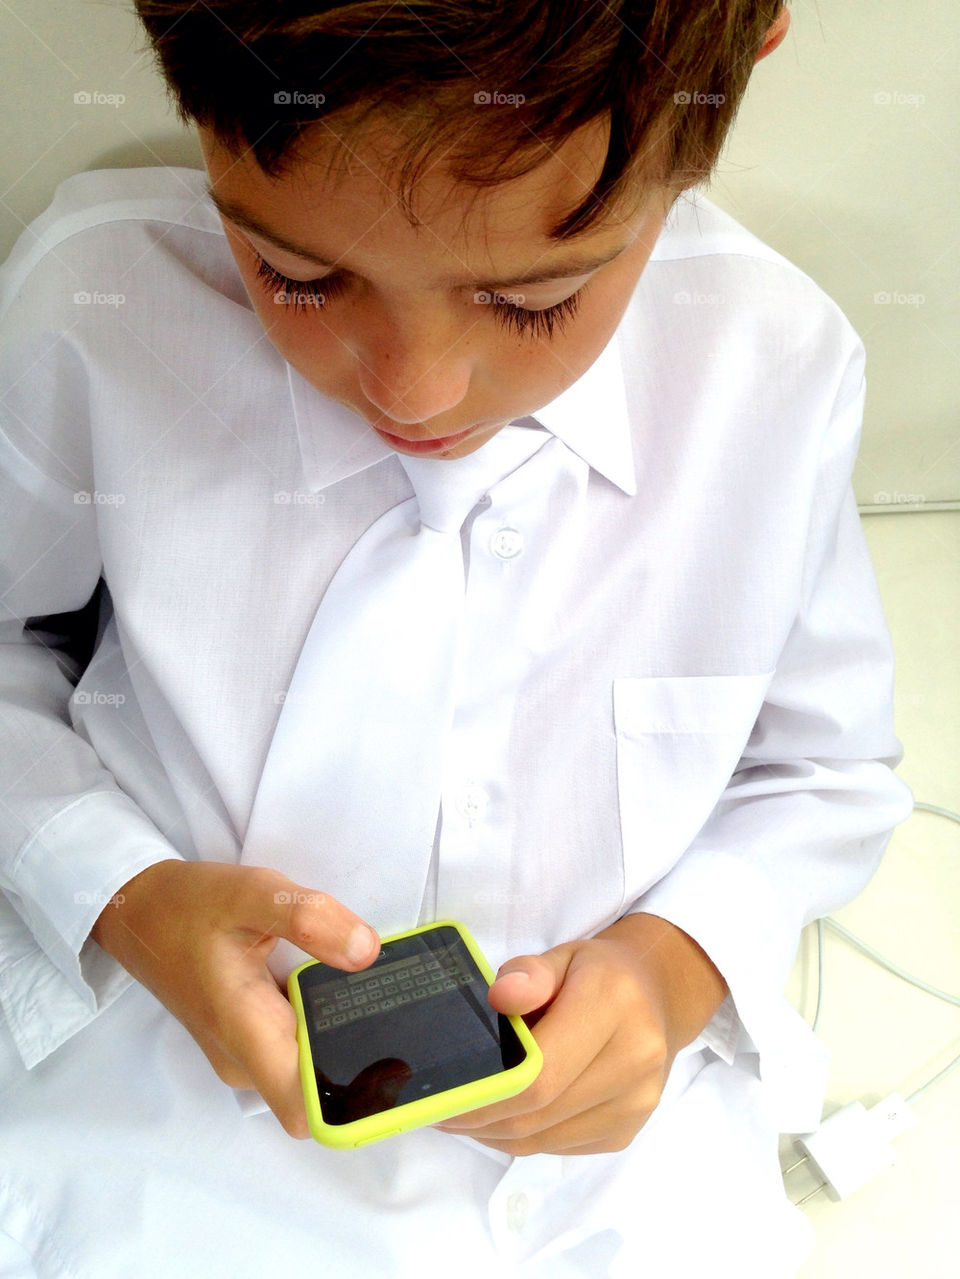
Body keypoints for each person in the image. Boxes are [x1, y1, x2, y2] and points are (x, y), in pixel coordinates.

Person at [0, 2, 913, 1275]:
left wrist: (675, 964)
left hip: (613, 1168)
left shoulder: (777, 366)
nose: (411, 392)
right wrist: (120, 892)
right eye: (301, 278)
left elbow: (824, 771)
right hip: (154, 1110)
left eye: (535, 301)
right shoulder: (100, 308)